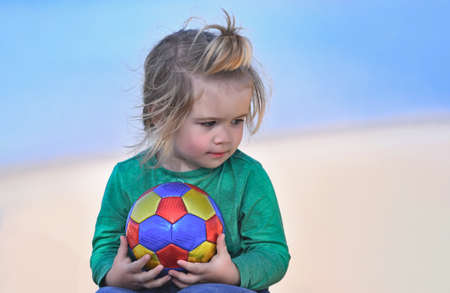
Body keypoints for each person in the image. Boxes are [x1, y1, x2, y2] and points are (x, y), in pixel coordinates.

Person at [90, 10, 290, 293]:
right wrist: (113, 274)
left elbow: (273, 253)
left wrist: (232, 273)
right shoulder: (127, 177)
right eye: (209, 124)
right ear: (160, 115)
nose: (225, 137)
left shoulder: (247, 176)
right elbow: (106, 245)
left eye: (237, 121)